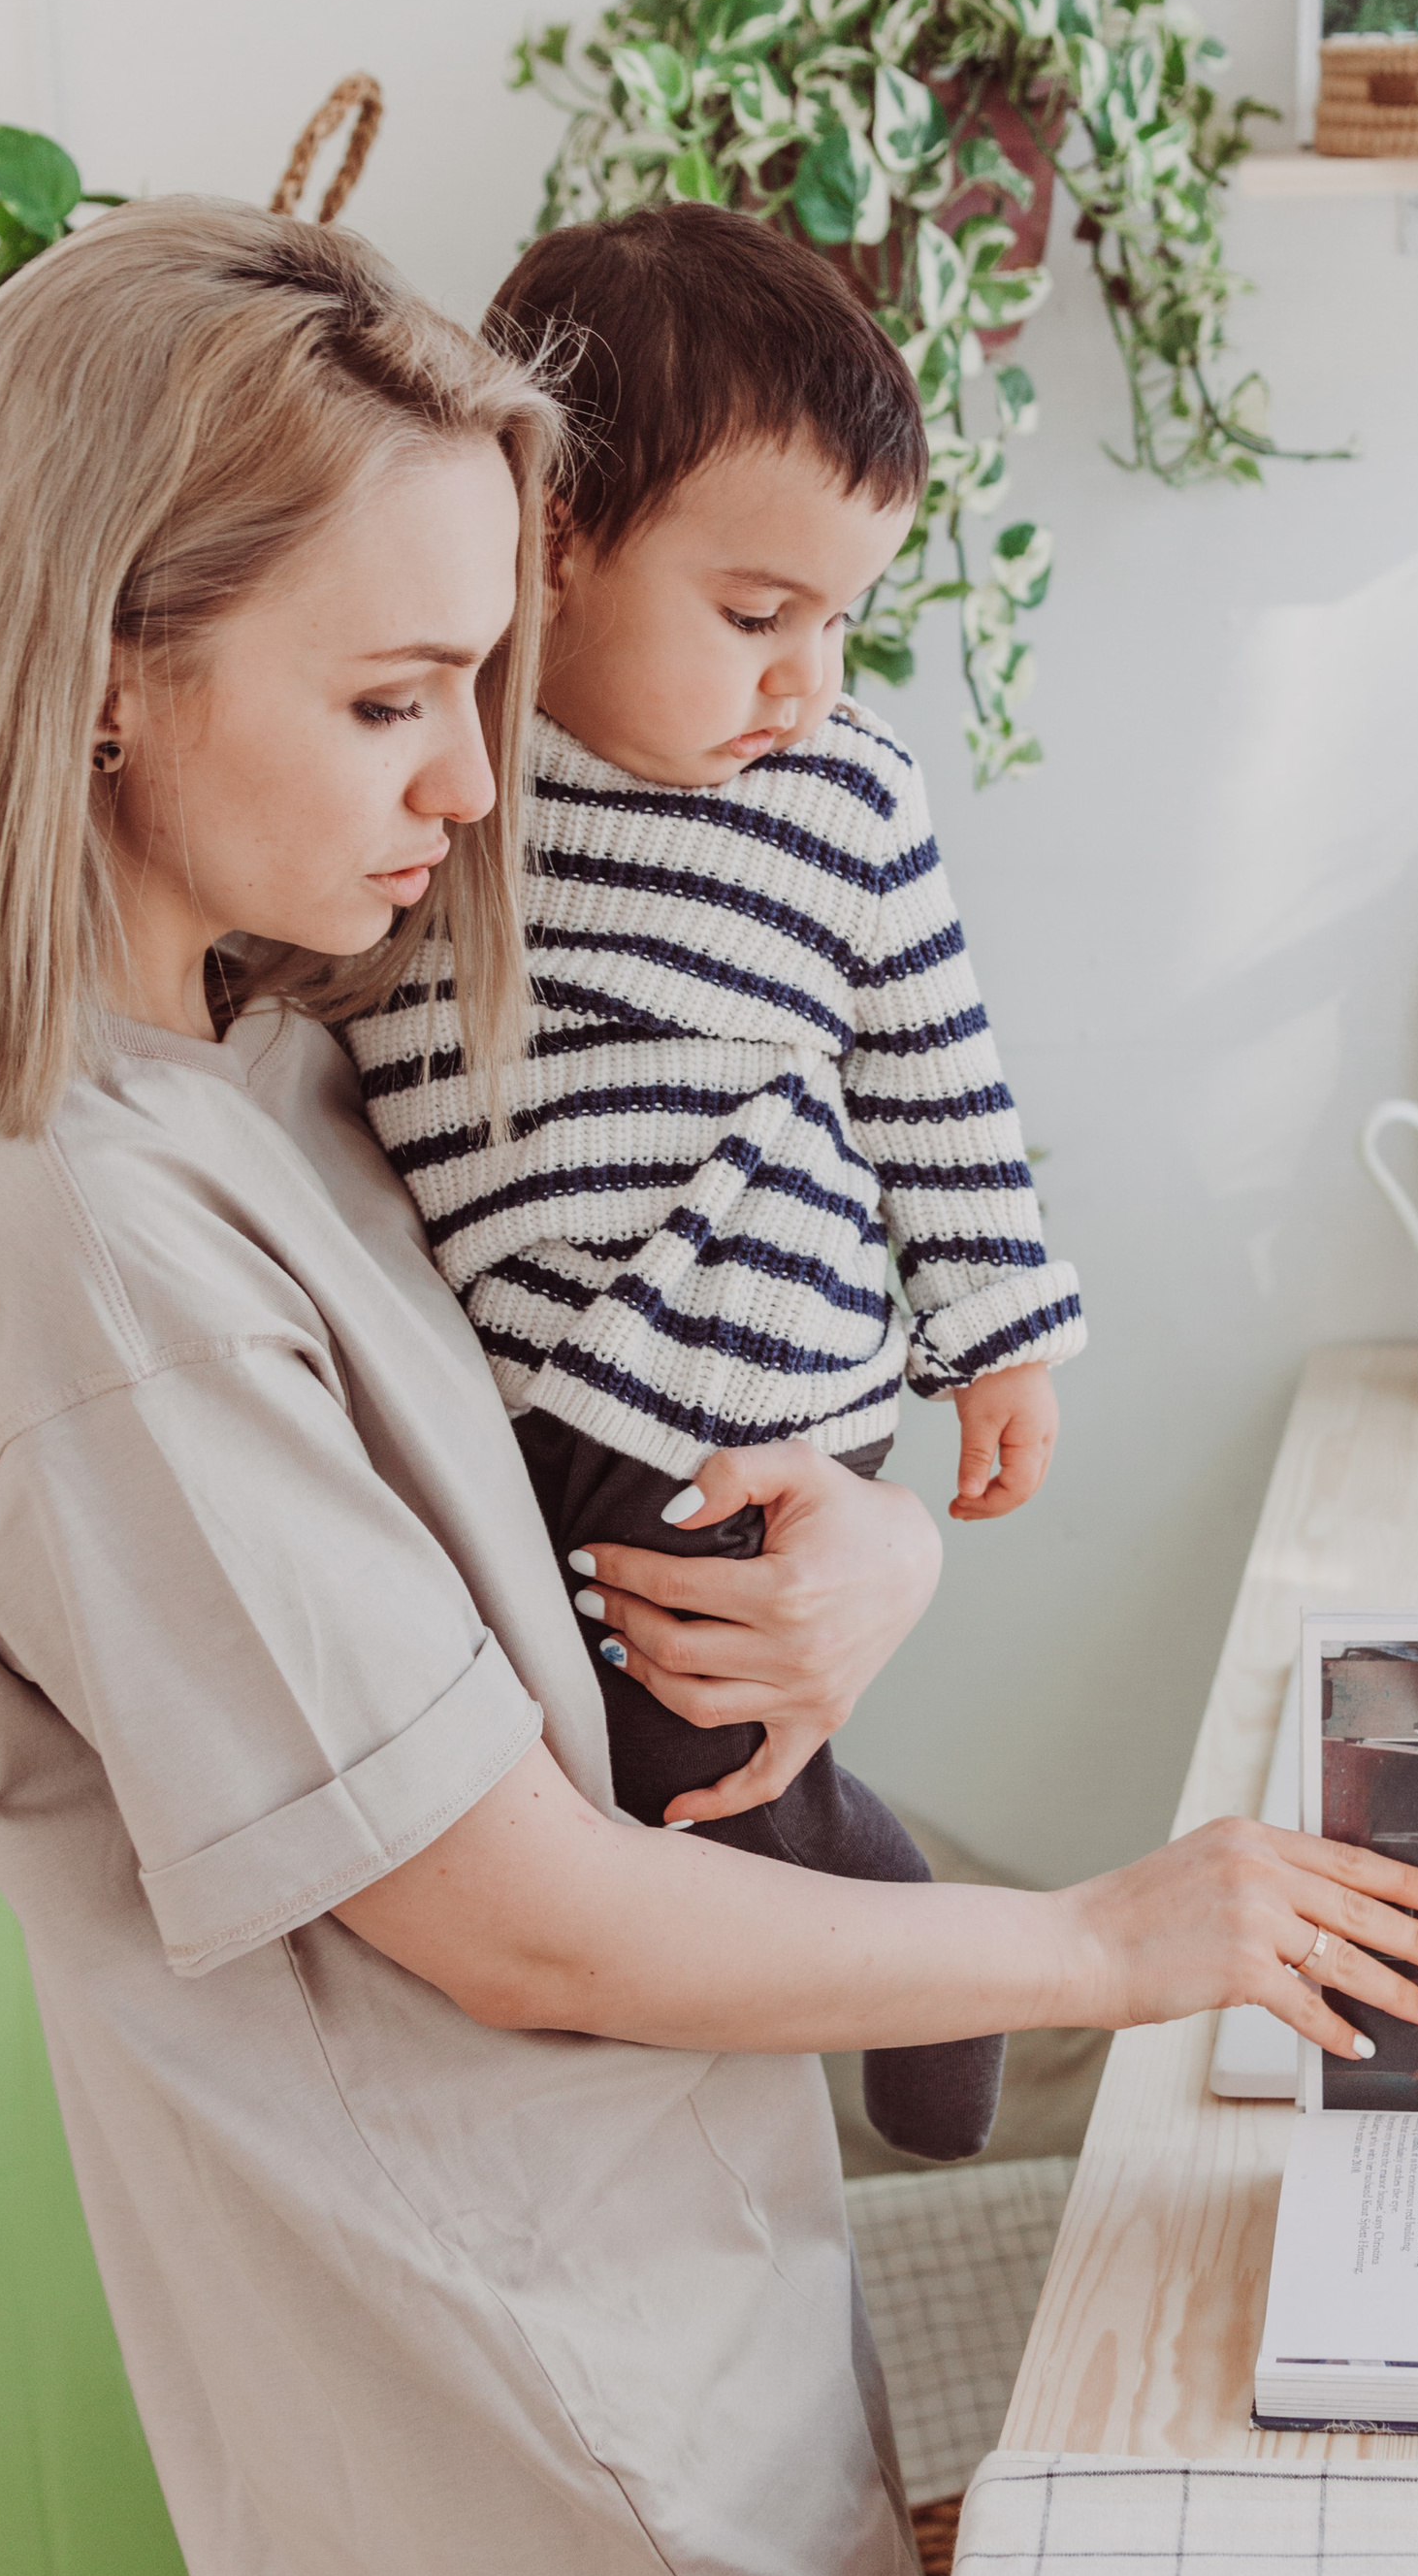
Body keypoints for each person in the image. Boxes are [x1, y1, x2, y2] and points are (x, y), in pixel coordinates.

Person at [0, 199, 1418, 2576]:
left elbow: (641, 1423)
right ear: (100, 672)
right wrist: (1112, 1942)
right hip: (512, 2371)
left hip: (635, 2268)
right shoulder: (69, 1244)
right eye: (398, 695)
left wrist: (879, 1558)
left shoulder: (250, 1035)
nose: (485, 777)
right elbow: (522, 1925)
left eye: (488, 671)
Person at [348, 204, 1077, 2166]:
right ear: (554, 538)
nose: (804, 682)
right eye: (756, 617)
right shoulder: (452, 766)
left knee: (683, 1732)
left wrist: (999, 1344)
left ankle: (879, 1907)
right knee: (569, 1730)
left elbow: (938, 1081)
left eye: (841, 625)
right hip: (529, 1374)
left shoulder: (844, 800)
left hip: (747, 1345)